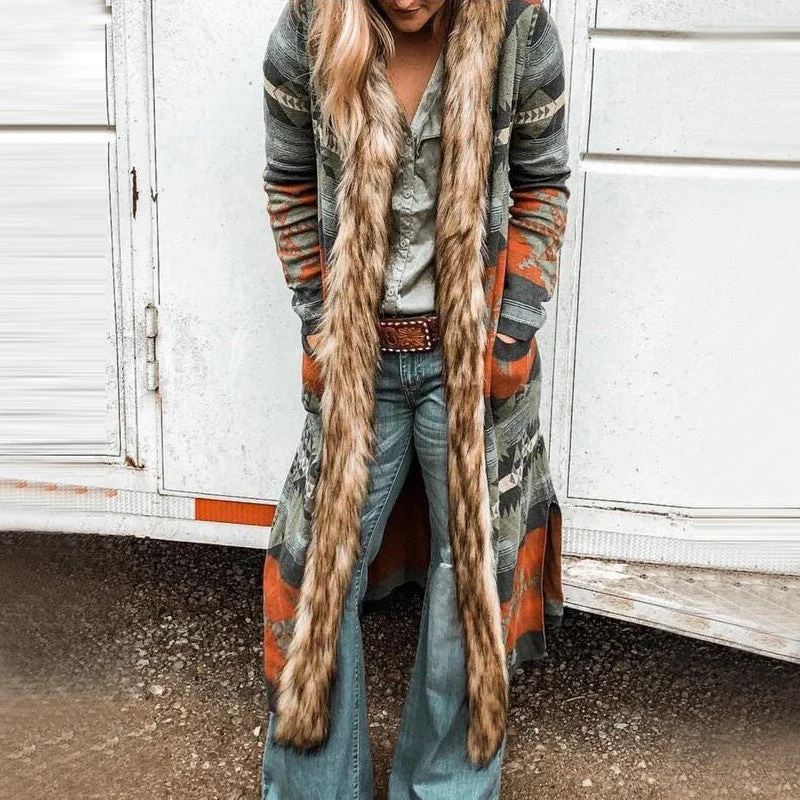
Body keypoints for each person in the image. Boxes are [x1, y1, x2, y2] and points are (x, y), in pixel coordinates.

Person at [260, 0, 571, 797]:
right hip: (357, 364)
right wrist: (319, 322)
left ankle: (445, 789)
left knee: (472, 575)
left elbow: (543, 184)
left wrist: (511, 332)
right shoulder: (307, 29)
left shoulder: (518, 29)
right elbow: (288, 184)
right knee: (315, 575)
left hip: (469, 367)